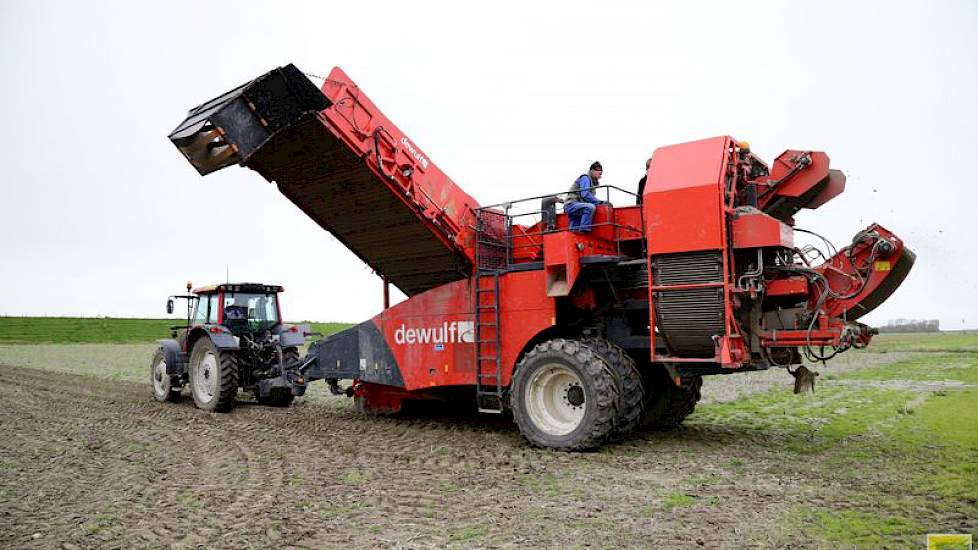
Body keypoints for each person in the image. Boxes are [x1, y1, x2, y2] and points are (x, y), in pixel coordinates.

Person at [565, 161, 607, 232]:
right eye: (597, 170)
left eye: (600, 171)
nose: (599, 172)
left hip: (578, 206)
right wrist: (600, 202)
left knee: (574, 231)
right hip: (572, 204)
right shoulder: (585, 178)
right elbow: (585, 194)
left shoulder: (592, 183)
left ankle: (575, 233)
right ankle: (584, 229)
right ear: (591, 171)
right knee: (590, 207)